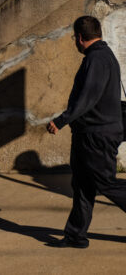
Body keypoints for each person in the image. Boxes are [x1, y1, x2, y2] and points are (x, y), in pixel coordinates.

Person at [46, 16, 126, 248]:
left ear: (80, 38)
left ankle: (75, 234)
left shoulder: (97, 59)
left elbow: (87, 98)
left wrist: (61, 120)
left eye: (74, 38)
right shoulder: (102, 56)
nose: (75, 43)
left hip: (97, 135)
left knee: (106, 183)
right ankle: (75, 235)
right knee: (82, 185)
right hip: (87, 134)